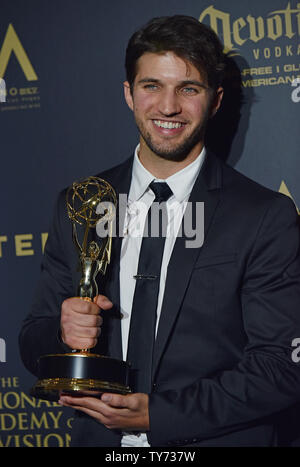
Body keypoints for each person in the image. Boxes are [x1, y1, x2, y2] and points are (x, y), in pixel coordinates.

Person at [19, 15, 300, 447]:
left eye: (188, 88)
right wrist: (63, 332)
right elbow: (33, 338)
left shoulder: (264, 216)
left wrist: (159, 415)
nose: (168, 107)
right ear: (129, 94)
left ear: (216, 100)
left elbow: (282, 366)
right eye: (152, 86)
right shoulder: (82, 204)